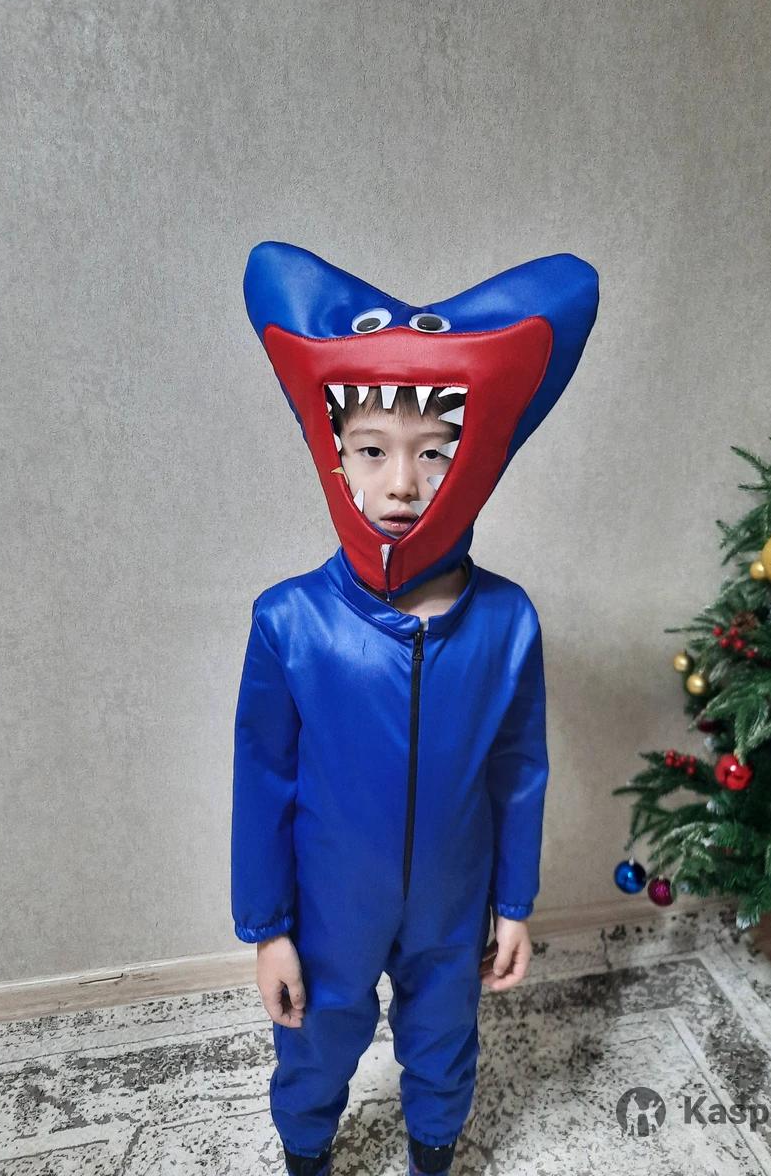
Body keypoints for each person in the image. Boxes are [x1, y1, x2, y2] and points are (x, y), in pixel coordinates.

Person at [232, 241, 599, 1176]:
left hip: (453, 902)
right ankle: (306, 1155)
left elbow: (519, 771)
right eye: (372, 450)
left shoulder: (507, 621)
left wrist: (512, 904)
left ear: (476, 460)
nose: (401, 483)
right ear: (334, 452)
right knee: (315, 1045)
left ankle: (433, 1158)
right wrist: (268, 930)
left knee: (443, 1045)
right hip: (330, 907)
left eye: (435, 453)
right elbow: (262, 781)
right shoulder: (289, 622)